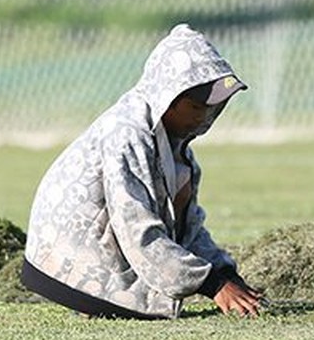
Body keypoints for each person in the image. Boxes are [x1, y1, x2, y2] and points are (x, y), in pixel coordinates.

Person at [21, 23, 264, 320]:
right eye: (197, 105)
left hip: (106, 243)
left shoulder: (176, 148)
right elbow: (138, 228)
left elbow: (188, 228)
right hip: (64, 260)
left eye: (213, 105)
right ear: (168, 99)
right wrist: (212, 285)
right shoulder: (128, 134)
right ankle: (91, 301)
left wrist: (225, 274)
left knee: (184, 183)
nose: (206, 114)